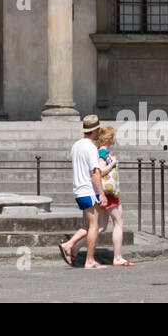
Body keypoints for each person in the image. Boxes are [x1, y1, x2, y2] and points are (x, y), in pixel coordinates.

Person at [60, 114, 107, 268]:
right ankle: (88, 258)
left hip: (79, 189)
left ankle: (71, 246)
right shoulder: (91, 147)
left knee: (88, 225)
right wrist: (101, 193)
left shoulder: (76, 145)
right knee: (94, 225)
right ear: (96, 130)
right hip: (88, 190)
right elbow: (95, 172)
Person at [94, 125, 133, 267]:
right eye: (113, 135)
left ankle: (74, 246)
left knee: (101, 226)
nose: (115, 137)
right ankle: (117, 257)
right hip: (109, 193)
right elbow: (100, 171)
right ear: (109, 137)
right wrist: (113, 163)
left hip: (106, 193)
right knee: (118, 223)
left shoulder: (101, 152)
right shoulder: (102, 153)